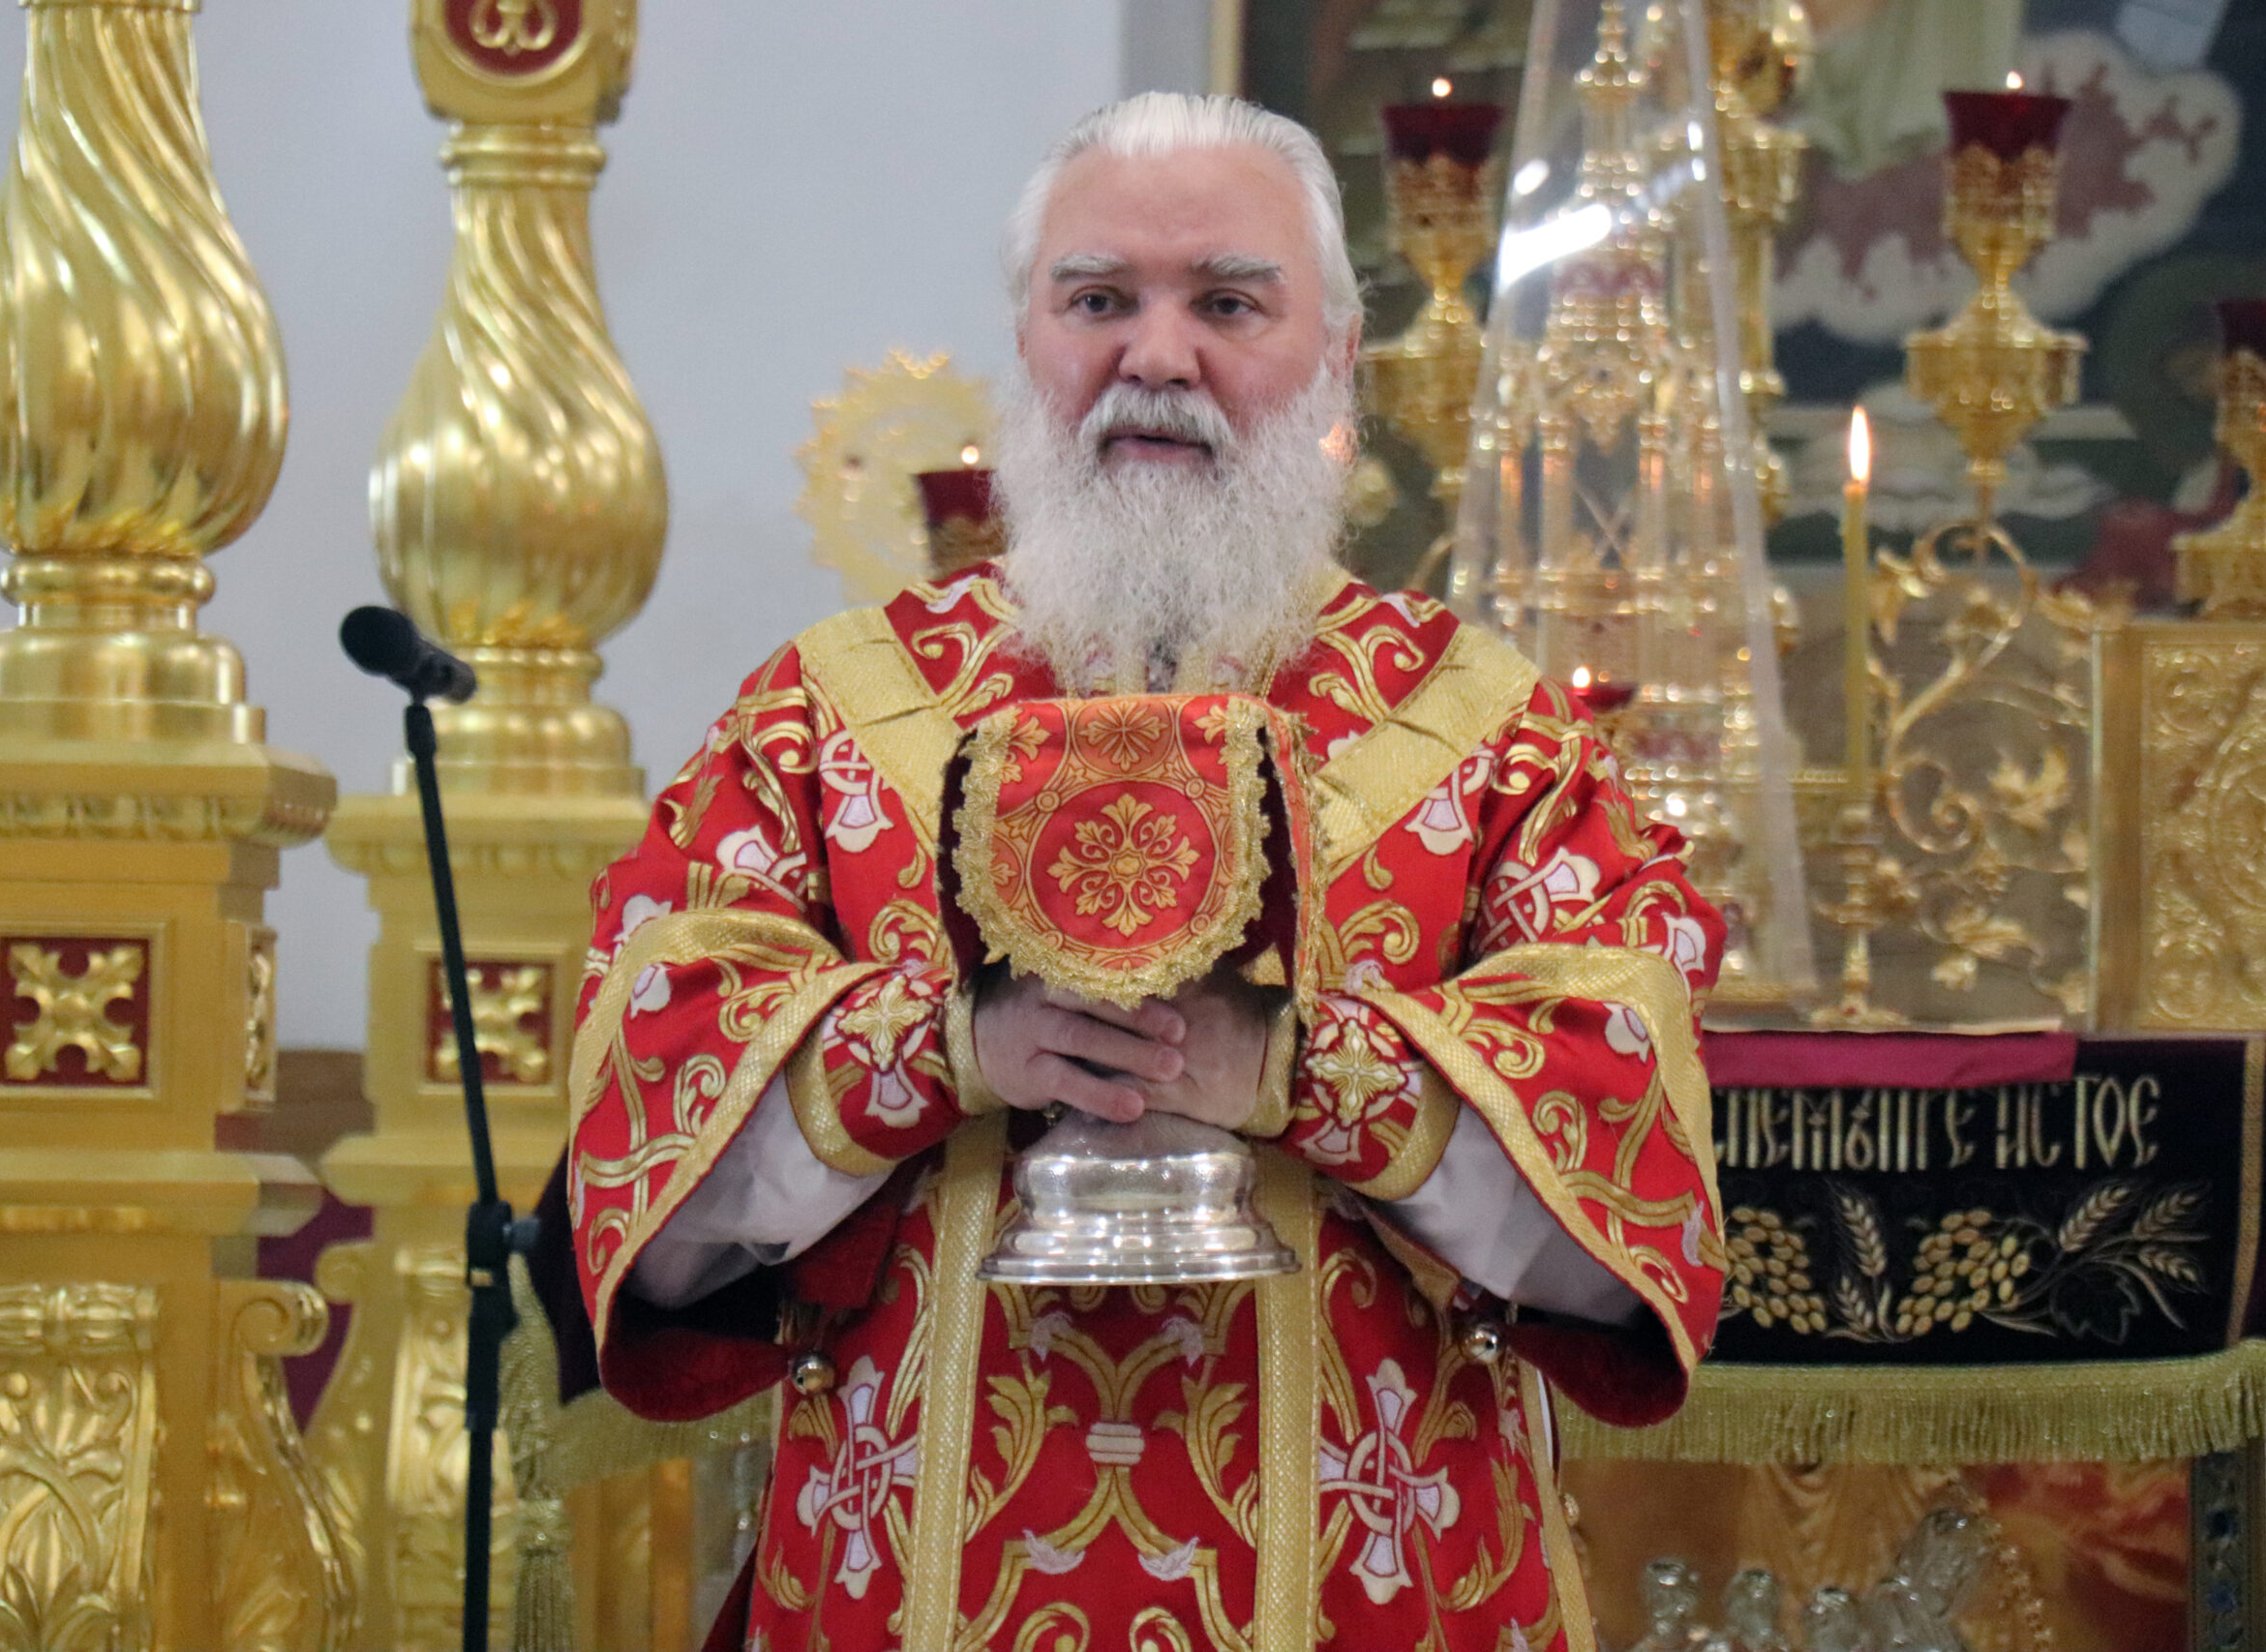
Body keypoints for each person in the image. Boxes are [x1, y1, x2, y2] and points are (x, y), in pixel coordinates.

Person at [563, 91, 1726, 1652]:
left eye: (1229, 304)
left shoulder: (1494, 741)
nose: (1157, 356)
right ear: (1028, 345)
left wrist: (1293, 1071)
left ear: (1338, 357)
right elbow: (654, 1205)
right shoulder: (828, 722)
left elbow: (1620, 1232)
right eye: (1099, 299)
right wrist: (945, 1048)